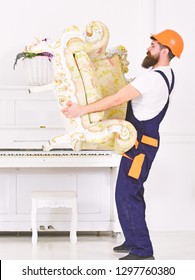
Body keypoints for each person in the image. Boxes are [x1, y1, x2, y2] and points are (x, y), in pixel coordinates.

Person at [61, 29, 184, 260]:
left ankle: (142, 250)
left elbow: (118, 99)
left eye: (154, 45)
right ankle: (132, 239)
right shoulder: (168, 76)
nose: (149, 48)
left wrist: (81, 110)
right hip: (143, 143)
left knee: (127, 194)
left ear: (165, 50)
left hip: (140, 146)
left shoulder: (152, 78)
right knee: (131, 191)